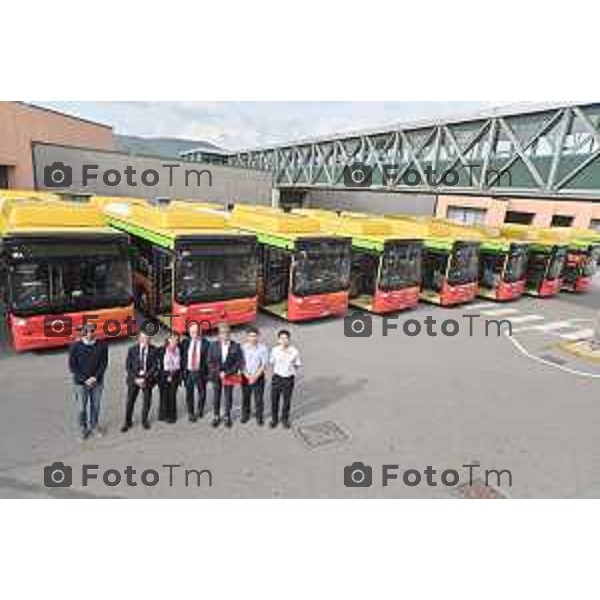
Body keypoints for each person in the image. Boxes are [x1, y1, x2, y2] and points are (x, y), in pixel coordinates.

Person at [68, 323, 108, 440]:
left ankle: (94, 426)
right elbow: (72, 366)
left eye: (92, 331)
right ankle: (83, 429)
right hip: (81, 383)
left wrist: (95, 377)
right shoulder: (75, 346)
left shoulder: (102, 346)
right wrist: (85, 379)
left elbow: (103, 364)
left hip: (97, 382)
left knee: (96, 406)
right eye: (88, 332)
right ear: (83, 333)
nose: (91, 334)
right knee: (82, 408)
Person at [208, 322, 244, 428]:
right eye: (223, 333)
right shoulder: (213, 345)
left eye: (227, 333)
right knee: (216, 396)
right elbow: (209, 361)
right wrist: (218, 372)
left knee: (228, 396)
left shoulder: (236, 346)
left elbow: (239, 362)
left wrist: (227, 373)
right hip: (216, 375)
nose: (225, 335)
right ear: (219, 334)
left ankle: (227, 416)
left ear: (230, 334)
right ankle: (216, 416)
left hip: (229, 375)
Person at [122, 332, 159, 432]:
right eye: (142, 338)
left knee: (147, 401)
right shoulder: (132, 350)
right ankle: (127, 421)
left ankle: (144, 420)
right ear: (139, 339)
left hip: (147, 379)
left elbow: (155, 366)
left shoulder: (154, 350)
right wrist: (136, 378)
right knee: (130, 401)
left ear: (150, 339)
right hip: (134, 379)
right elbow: (128, 366)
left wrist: (145, 378)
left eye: (147, 338)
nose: (145, 340)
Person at [269, 329, 302, 429]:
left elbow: (297, 364)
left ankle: (285, 419)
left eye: (286, 338)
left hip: (288, 379)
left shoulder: (294, 351)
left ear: (289, 339)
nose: (284, 340)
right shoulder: (274, 350)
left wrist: (291, 372)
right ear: (278, 340)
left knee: (286, 401)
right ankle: (274, 419)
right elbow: (272, 362)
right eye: (282, 338)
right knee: (274, 400)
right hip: (277, 378)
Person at [180, 321, 210, 421]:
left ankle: (200, 410)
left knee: (202, 393)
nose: (195, 334)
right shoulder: (185, 342)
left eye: (197, 331)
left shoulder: (206, 343)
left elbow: (209, 360)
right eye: (192, 332)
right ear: (189, 332)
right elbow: (180, 356)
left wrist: (208, 374)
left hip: (200, 372)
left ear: (200, 331)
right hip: (188, 372)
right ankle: (191, 412)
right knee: (189, 393)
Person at [241, 326, 269, 425]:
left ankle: (259, 416)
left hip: (259, 377)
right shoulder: (243, 348)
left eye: (255, 336)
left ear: (258, 336)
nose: (253, 338)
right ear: (247, 337)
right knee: (246, 397)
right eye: (250, 336)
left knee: (259, 398)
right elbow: (241, 363)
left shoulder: (263, 348)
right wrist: (247, 375)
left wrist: (255, 377)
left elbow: (264, 365)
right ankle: (245, 415)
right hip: (245, 377)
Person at [158, 333, 182, 424]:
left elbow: (180, 364)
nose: (174, 341)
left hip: (174, 374)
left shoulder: (179, 350)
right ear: (168, 340)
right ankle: (163, 414)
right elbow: (158, 362)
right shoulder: (162, 349)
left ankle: (172, 416)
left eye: (176, 339)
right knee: (163, 394)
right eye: (172, 339)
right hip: (163, 375)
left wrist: (176, 375)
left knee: (172, 395)